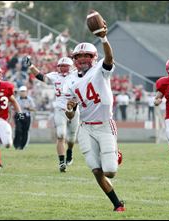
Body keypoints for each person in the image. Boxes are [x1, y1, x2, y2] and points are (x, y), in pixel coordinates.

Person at [62, 24, 125, 211]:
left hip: (105, 125)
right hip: (85, 127)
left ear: (93, 58)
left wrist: (104, 38)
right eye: (78, 56)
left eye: (86, 56)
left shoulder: (100, 69)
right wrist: (70, 110)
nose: (82, 59)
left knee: (110, 172)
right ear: (74, 60)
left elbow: (110, 58)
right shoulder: (70, 81)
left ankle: (116, 154)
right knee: (96, 170)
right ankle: (117, 204)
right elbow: (70, 113)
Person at [23, 56, 80, 172]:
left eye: (65, 66)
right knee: (60, 135)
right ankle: (61, 162)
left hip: (74, 108)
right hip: (59, 108)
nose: (63, 68)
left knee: (72, 137)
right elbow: (40, 76)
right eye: (61, 66)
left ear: (70, 67)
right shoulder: (55, 76)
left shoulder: (77, 75)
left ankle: (69, 151)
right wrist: (31, 66)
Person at [13, 85, 36, 150]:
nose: (23, 93)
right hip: (19, 115)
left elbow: (34, 109)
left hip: (26, 115)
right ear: (19, 92)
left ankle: (22, 146)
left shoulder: (30, 100)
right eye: (21, 91)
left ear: (26, 92)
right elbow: (13, 107)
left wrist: (28, 108)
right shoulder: (16, 99)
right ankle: (16, 144)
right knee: (18, 130)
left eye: (24, 91)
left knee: (25, 131)